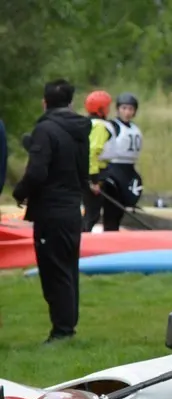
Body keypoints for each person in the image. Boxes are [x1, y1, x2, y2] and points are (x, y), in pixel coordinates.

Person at [12, 79, 92, 343]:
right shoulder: (80, 130)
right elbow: (80, 170)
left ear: (44, 102)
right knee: (68, 268)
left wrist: (20, 192)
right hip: (72, 208)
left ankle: (62, 330)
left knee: (53, 271)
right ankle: (68, 326)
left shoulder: (45, 129)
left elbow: (37, 171)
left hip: (50, 210)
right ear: (70, 102)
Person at [101, 92, 144, 231]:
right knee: (112, 209)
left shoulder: (134, 128)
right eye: (124, 108)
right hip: (114, 169)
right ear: (118, 109)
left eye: (130, 109)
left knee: (123, 208)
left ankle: (115, 231)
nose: (127, 112)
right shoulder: (112, 126)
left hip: (129, 170)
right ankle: (109, 232)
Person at [81, 90, 115, 232]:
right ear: (101, 109)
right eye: (107, 106)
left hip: (94, 171)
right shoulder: (100, 126)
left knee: (92, 212)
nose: (109, 109)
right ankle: (82, 240)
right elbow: (93, 153)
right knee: (93, 213)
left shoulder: (90, 123)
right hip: (96, 172)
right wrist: (94, 180)